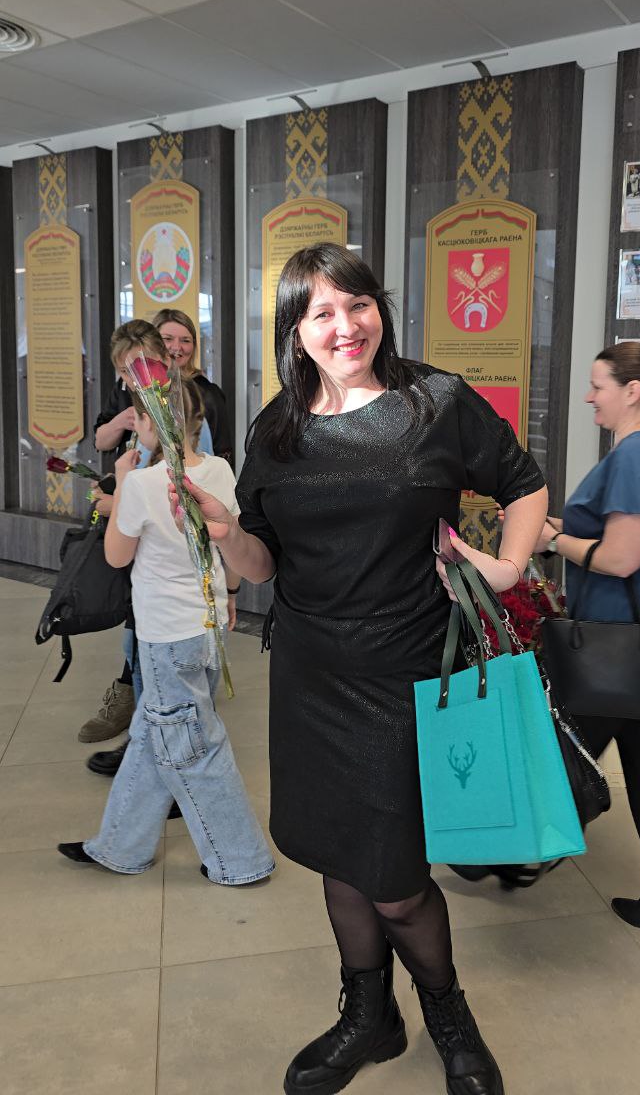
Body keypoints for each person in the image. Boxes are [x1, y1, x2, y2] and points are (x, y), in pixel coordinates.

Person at [171, 244, 547, 1095]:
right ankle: (368, 1016)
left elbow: (522, 484)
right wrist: (224, 529)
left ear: (380, 309)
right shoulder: (277, 430)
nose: (345, 326)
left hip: (408, 674)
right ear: (295, 332)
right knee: (341, 858)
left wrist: (506, 568)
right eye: (322, 313)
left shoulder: (433, 402)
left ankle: (448, 1015)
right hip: (311, 675)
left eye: (358, 304)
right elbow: (263, 565)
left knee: (397, 881)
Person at [58, 378, 274, 886]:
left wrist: (119, 483)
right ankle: (120, 846)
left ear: (148, 425)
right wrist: (231, 596)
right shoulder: (219, 470)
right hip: (206, 628)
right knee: (154, 734)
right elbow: (229, 545)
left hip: (165, 637)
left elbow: (116, 556)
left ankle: (240, 859)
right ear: (198, 421)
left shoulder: (142, 483)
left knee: (191, 746)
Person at [534, 341, 640, 945]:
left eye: (598, 386)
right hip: (636, 647)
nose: (588, 397)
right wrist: (552, 529)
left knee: (559, 759)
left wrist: (554, 544)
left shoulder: (635, 457)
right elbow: (609, 535)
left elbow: (622, 558)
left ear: (632, 391)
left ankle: (505, 857)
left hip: (610, 645)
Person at [81, 319, 214, 769]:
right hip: (154, 578)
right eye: (125, 371)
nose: (134, 377)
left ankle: (159, 756)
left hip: (170, 584)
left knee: (162, 676)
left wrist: (118, 497)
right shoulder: (139, 410)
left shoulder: (181, 411)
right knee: (141, 660)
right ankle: (147, 749)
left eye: (141, 366)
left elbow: (183, 492)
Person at [153, 308, 234, 464]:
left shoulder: (209, 394)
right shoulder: (141, 387)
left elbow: (223, 454)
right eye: (168, 339)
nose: (177, 347)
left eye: (185, 340)